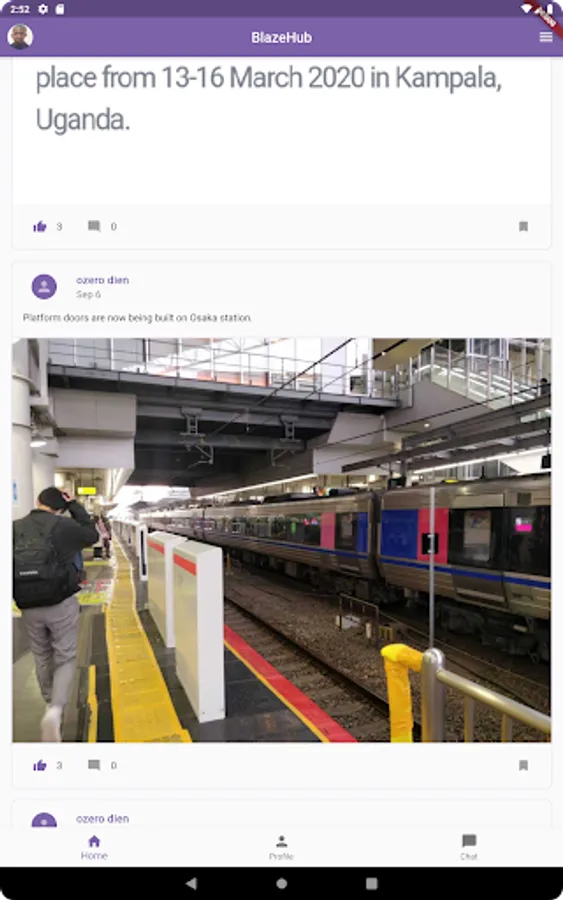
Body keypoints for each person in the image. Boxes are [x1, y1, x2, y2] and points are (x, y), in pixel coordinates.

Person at [12, 487, 98, 742]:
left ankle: (49, 702)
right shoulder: (64, 526)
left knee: (41, 655)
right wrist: (75, 506)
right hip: (60, 601)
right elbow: (92, 535)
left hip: (27, 604)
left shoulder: (14, 527)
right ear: (61, 508)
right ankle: (56, 709)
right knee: (65, 656)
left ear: (37, 501)